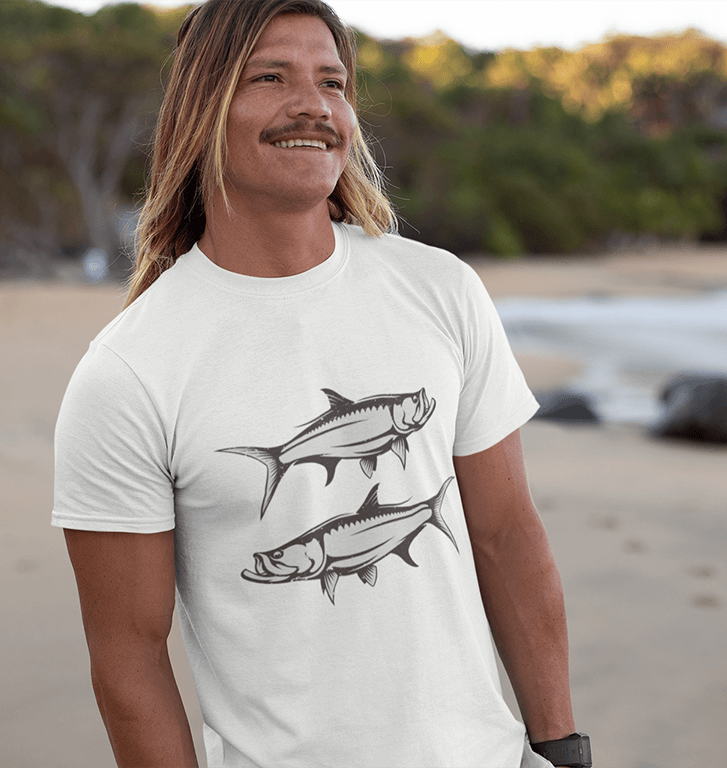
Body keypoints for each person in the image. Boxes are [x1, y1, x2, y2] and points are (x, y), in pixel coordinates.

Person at [53, 1, 591, 767]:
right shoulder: (130, 371)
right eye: (270, 76)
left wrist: (563, 749)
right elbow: (129, 657)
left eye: (332, 82)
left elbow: (506, 536)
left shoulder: (441, 290)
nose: (313, 104)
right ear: (203, 107)